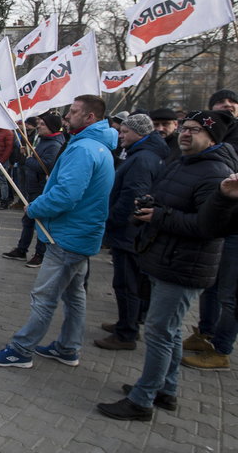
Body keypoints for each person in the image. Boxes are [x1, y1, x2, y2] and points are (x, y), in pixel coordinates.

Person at [97, 110, 237, 421]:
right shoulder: (186, 162)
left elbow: (208, 227)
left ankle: (142, 400)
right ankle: (166, 390)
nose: (186, 134)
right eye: (185, 128)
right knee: (170, 332)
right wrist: (150, 206)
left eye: (196, 130)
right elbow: (171, 201)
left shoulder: (215, 173)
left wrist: (159, 216)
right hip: (166, 257)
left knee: (160, 332)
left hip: (184, 266)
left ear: (212, 137)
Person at [0, 95, 116, 369]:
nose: (67, 116)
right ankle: (68, 348)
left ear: (90, 117)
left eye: (74, 111)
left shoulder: (84, 149)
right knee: (74, 295)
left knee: (44, 296)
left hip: (68, 236)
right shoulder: (94, 145)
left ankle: (21, 350)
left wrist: (34, 208)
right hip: (80, 233)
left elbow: (66, 195)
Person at [96, 114, 169, 351]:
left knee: (126, 283)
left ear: (140, 133)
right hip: (131, 230)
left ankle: (126, 333)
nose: (120, 135)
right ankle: (125, 323)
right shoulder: (144, 154)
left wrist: (113, 221)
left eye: (125, 132)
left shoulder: (143, 159)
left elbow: (132, 196)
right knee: (130, 282)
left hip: (128, 231)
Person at [180, 89, 238, 370]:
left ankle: (222, 349)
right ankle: (205, 333)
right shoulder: (213, 136)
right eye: (221, 104)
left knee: (230, 293)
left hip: (235, 225)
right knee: (211, 287)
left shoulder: (227, 147)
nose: (228, 107)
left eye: (232, 104)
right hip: (219, 223)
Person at [1, 112, 65, 267]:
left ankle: (40, 254)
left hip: (42, 188)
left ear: (51, 127)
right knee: (28, 220)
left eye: (42, 124)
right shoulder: (43, 140)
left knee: (40, 222)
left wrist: (28, 160)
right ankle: (22, 249)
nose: (39, 126)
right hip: (33, 187)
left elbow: (46, 167)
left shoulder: (54, 145)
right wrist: (26, 156)